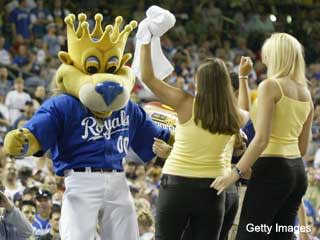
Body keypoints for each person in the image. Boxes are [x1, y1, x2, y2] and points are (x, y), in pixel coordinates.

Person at [140, 42, 252, 239]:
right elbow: (246, 110)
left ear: (199, 83)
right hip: (212, 190)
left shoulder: (185, 103)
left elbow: (148, 77)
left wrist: (146, 40)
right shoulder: (232, 115)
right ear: (226, 84)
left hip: (175, 185)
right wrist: (243, 77)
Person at [212, 33, 314, 240]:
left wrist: (235, 174)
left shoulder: (270, 86)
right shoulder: (306, 93)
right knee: (280, 235)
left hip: (271, 170)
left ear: (276, 56)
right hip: (296, 173)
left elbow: (261, 139)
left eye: (266, 54)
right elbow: (302, 148)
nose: (263, 59)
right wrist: (242, 78)